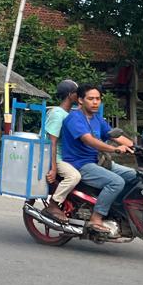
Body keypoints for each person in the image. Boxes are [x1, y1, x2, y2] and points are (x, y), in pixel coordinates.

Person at [60, 83, 137, 235]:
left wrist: (138, 147)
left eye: (98, 99)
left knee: (135, 176)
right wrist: (114, 149)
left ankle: (118, 211)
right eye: (91, 99)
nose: (95, 102)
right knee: (116, 182)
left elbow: (115, 135)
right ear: (81, 100)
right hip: (80, 164)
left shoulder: (96, 119)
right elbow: (89, 140)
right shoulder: (74, 118)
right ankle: (96, 218)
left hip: (98, 161)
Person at [43, 79, 82, 222]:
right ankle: (53, 204)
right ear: (70, 95)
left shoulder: (70, 113)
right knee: (74, 177)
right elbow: (51, 142)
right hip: (57, 157)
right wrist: (53, 168)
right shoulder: (57, 114)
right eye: (78, 93)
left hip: (67, 156)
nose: (80, 96)